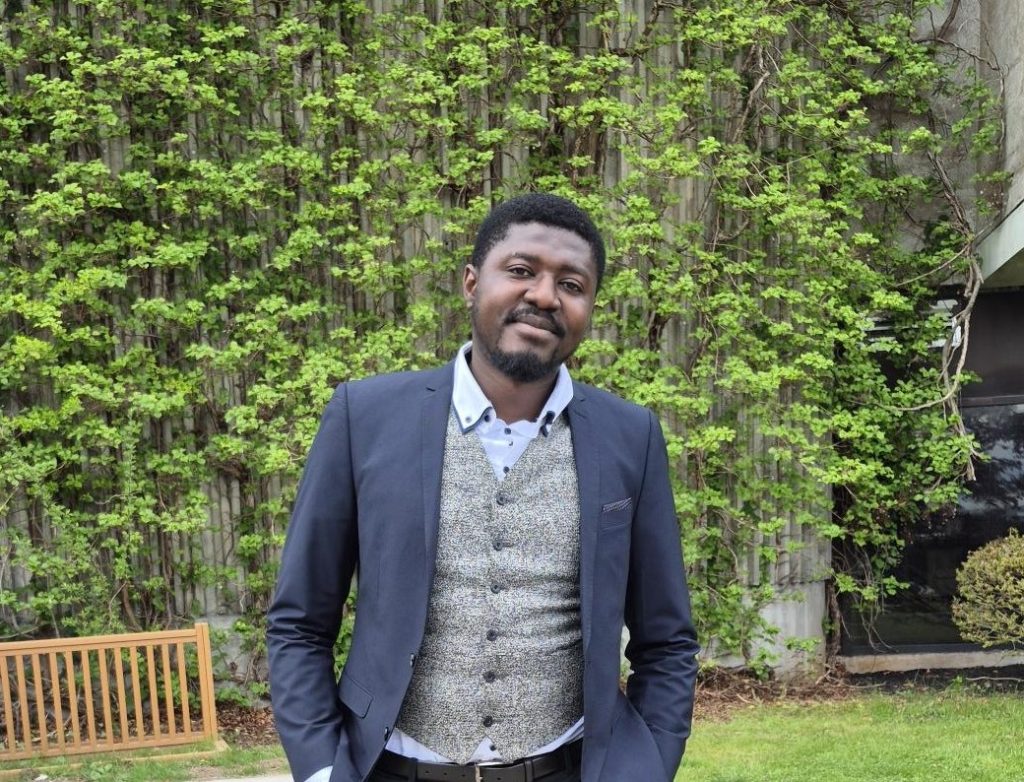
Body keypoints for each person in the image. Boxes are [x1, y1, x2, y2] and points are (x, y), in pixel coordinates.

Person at [266, 193, 699, 782]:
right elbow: (299, 622)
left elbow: (667, 640)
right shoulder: (363, 417)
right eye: (521, 271)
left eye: (571, 284)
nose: (544, 295)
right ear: (472, 282)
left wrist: (648, 767)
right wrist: (320, 769)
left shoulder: (631, 436)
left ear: (589, 307)